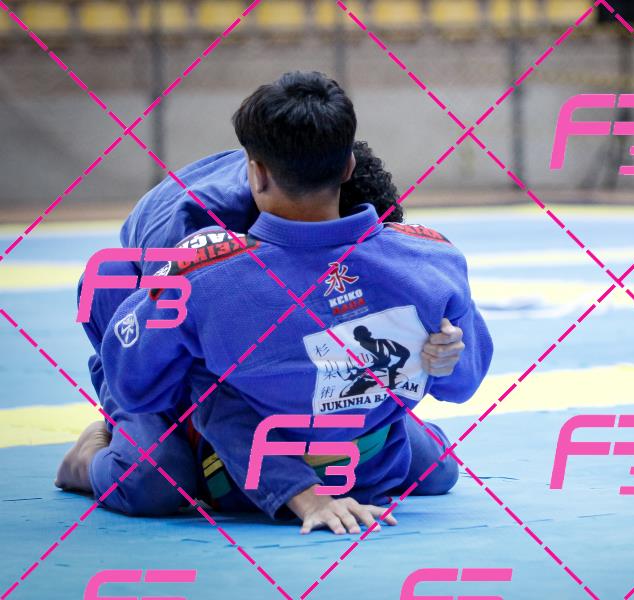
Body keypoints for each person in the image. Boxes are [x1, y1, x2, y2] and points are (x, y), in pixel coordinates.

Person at [56, 71, 492, 536]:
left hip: (314, 412)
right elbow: (150, 389)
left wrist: (443, 359)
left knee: (435, 471)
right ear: (349, 165)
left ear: (258, 173)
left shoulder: (421, 262)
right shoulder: (430, 258)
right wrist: (299, 490)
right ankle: (88, 456)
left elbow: (458, 379)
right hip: (153, 316)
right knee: (152, 482)